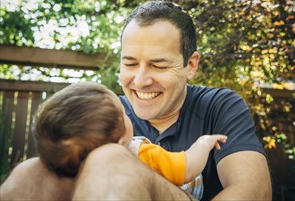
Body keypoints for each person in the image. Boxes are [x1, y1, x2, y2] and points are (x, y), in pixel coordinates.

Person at [0, 0, 272, 200]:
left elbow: (254, 192)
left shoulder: (219, 105)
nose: (140, 81)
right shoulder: (104, 114)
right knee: (30, 172)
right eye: (130, 64)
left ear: (190, 65)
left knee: (109, 158)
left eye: (158, 65)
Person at [31, 82, 227, 200]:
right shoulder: (138, 151)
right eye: (124, 113)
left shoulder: (74, 171)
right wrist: (204, 142)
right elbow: (187, 168)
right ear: (122, 138)